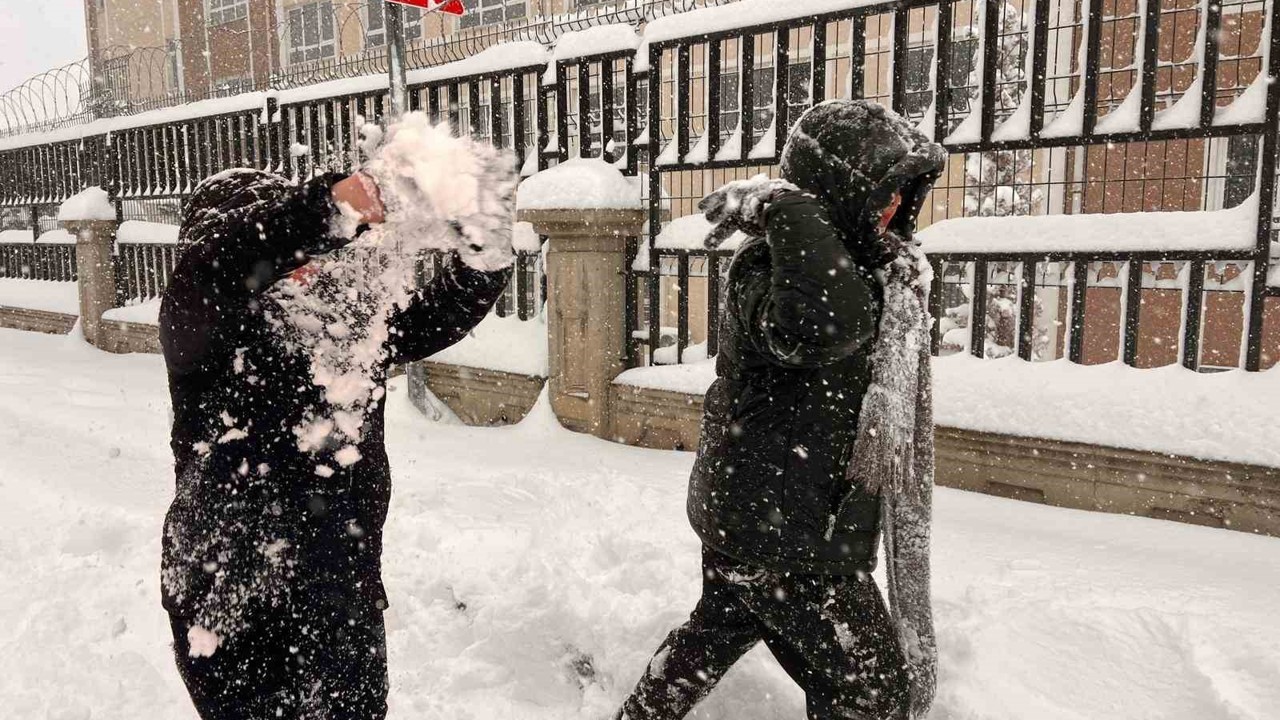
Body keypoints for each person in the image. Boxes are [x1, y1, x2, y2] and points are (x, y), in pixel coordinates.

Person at [615, 99, 946, 720]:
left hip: (770, 517)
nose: (895, 209)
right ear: (833, 196)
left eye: (903, 193)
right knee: (872, 697)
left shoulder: (873, 273)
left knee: (715, 637)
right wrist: (790, 209)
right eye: (880, 194)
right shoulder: (766, 268)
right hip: (783, 533)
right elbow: (825, 327)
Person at [158, 158, 515, 719]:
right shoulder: (198, 315)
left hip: (340, 581)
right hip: (232, 592)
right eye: (280, 248)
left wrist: (483, 257)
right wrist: (339, 204)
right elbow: (228, 259)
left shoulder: (331, 324)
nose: (302, 264)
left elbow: (428, 319)